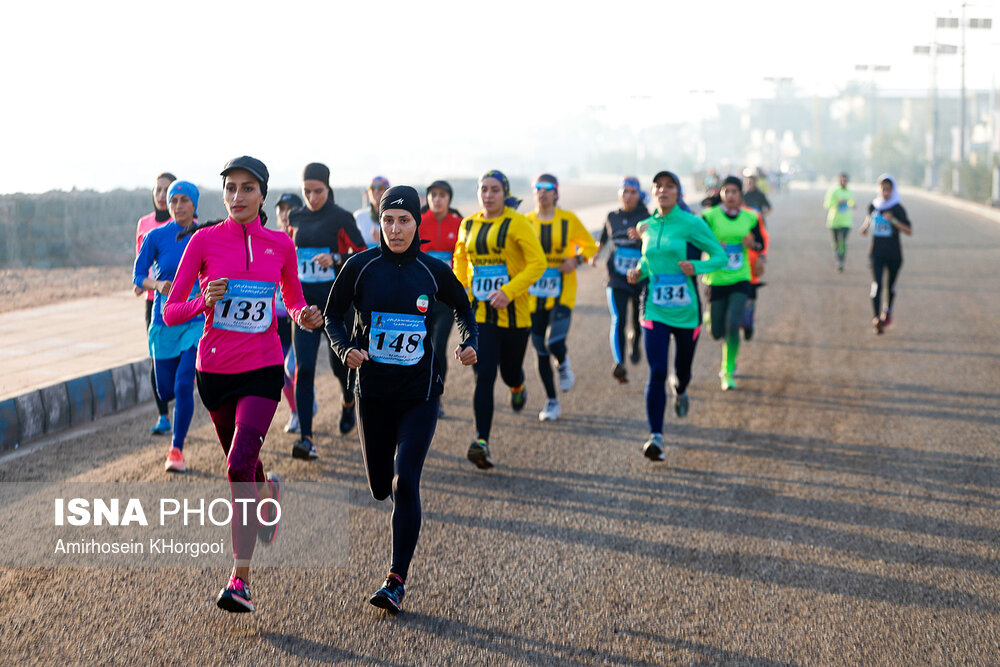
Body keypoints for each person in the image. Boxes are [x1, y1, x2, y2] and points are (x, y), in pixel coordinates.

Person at [163, 156, 324, 613]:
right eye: (230, 188)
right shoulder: (204, 241)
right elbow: (172, 311)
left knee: (237, 465)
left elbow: (291, 299)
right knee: (246, 467)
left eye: (247, 188)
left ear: (262, 194)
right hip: (213, 371)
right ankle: (267, 492)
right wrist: (201, 300)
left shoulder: (279, 245)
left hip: (262, 367)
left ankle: (240, 579)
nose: (237, 196)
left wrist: (303, 315)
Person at [325, 185, 478, 614]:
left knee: (404, 480)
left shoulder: (431, 271)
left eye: (404, 220)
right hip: (372, 393)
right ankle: (390, 506)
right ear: (379, 222)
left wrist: (469, 343)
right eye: (387, 220)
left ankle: (396, 579)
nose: (395, 229)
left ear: (417, 223)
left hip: (419, 394)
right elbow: (334, 316)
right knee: (379, 487)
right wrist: (344, 349)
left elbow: (465, 310)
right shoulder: (360, 267)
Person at [627, 171, 725, 460]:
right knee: (657, 371)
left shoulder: (692, 223)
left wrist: (697, 266)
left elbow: (718, 256)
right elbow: (649, 259)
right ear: (653, 192)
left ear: (679, 193)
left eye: (670, 186)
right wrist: (638, 271)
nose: (663, 190)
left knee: (681, 373)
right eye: (658, 186)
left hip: (686, 311)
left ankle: (681, 390)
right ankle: (656, 437)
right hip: (654, 306)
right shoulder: (647, 225)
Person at [453, 170, 546, 469]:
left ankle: (518, 387)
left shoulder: (517, 222)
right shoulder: (468, 224)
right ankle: (482, 441)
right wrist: (461, 288)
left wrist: (509, 290)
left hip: (515, 316)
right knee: (485, 376)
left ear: (504, 193)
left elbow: (537, 263)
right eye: (484, 189)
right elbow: (461, 259)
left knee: (509, 373)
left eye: (495, 190)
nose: (489, 195)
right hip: (480, 316)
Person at [288, 162, 368, 459]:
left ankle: (347, 401)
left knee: (340, 367)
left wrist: (335, 258)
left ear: (328, 187)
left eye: (318, 191)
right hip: (306, 308)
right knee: (304, 369)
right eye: (306, 190)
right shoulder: (296, 217)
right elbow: (289, 256)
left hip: (337, 306)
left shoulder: (341, 217)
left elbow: (361, 255)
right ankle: (306, 439)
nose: (312, 196)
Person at [133, 180, 203, 472]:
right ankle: (174, 413)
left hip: (196, 320)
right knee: (166, 390)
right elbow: (138, 277)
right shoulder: (155, 236)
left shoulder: (205, 235)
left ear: (194, 205)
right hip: (164, 320)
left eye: (184, 200)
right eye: (173, 201)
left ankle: (176, 449)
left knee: (184, 384)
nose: (177, 206)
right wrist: (157, 284)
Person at [525, 174, 597, 421]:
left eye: (548, 188)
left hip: (562, 293)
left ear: (556, 193)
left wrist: (576, 260)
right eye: (538, 188)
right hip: (532, 298)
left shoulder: (568, 220)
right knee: (540, 351)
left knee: (554, 342)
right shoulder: (525, 222)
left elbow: (591, 247)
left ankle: (564, 364)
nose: (542, 192)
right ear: (533, 192)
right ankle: (552, 401)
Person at [700, 175, 766, 390]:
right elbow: (695, 240)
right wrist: (711, 245)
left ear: (740, 195)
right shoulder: (709, 216)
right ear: (720, 193)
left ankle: (727, 372)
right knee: (717, 331)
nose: (730, 195)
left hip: (740, 278)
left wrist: (752, 244)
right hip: (716, 279)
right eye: (726, 191)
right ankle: (710, 317)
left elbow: (760, 244)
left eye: (734, 192)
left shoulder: (751, 217)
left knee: (732, 326)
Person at [592, 176, 651, 383]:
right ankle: (619, 362)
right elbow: (603, 240)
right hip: (616, 277)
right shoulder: (611, 216)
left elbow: (654, 244)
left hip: (640, 277)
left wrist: (642, 236)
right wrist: (594, 255)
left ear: (639, 195)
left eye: (633, 192)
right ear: (619, 194)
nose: (628, 196)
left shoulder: (647, 217)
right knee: (618, 318)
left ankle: (635, 342)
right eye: (624, 191)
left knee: (637, 319)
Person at [134, 172, 175, 435]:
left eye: (166, 191)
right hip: (153, 301)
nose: (161, 195)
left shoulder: (186, 223)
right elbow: (141, 258)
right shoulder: (144, 223)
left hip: (183, 303)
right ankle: (163, 416)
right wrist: (141, 282)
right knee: (155, 358)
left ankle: (183, 402)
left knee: (185, 359)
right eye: (157, 190)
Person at [419, 180, 464, 418]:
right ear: (427, 198)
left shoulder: (459, 224)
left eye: (442, 195)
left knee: (437, 349)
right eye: (433, 194)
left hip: (445, 300)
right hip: (419, 299)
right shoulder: (417, 223)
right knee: (419, 347)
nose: (437, 199)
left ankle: (435, 397)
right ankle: (418, 393)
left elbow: (465, 258)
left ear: (449, 199)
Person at [860, 174, 912, 334]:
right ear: (879, 189)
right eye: (883, 189)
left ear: (893, 190)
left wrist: (893, 221)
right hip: (876, 254)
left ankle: (887, 311)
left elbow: (909, 231)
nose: (885, 192)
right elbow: (869, 219)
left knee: (890, 286)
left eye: (889, 189)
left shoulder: (897, 208)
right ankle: (877, 318)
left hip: (894, 255)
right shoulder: (873, 206)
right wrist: (864, 227)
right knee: (877, 285)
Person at [275, 193, 303, 432]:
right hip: (275, 318)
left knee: (292, 366)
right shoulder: (271, 241)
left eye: (291, 208)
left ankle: (305, 397)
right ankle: (295, 411)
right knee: (280, 372)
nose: (286, 213)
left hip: (298, 316)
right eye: (281, 208)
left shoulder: (305, 239)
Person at [741, 171, 771, 342]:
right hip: (731, 269)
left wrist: (762, 255)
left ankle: (748, 322)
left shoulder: (756, 207)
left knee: (750, 296)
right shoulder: (728, 215)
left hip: (752, 260)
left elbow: (764, 238)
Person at [824, 172, 855, 272]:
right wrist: (837, 203)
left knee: (843, 242)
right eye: (842, 180)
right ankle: (837, 255)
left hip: (846, 221)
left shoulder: (849, 192)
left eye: (845, 180)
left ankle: (841, 261)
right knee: (836, 242)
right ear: (839, 180)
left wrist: (852, 204)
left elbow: (851, 202)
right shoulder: (833, 191)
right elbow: (827, 204)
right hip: (834, 221)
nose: (844, 182)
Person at [354, 176, 390, 249]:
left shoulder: (395, 216)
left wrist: (382, 241)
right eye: (372, 188)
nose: (376, 191)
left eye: (380, 188)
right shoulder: (359, 216)